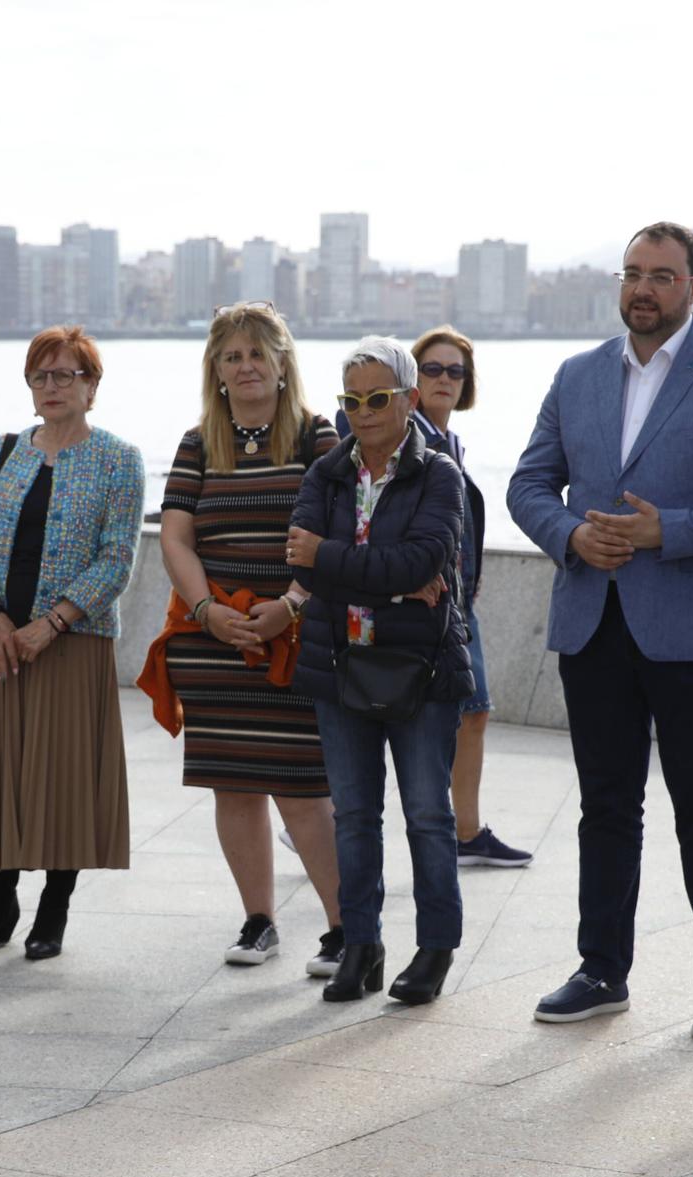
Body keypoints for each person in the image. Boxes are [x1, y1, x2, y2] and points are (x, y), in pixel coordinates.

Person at [506, 220, 693, 1037]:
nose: (643, 288)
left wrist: (670, 529)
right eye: (633, 272)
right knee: (606, 805)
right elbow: (530, 481)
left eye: (662, 276)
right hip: (594, 620)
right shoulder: (577, 374)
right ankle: (602, 969)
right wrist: (569, 535)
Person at [144, 302, 345, 974]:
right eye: (233, 356)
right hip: (216, 637)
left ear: (283, 363)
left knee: (302, 787)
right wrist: (204, 610)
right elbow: (175, 536)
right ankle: (259, 920)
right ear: (217, 371)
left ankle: (345, 927)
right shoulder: (199, 441)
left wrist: (292, 603)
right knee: (234, 785)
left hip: (295, 638)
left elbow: (340, 537)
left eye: (258, 353)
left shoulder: (319, 437)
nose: (247, 365)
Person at [285, 336, 472, 1004]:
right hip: (340, 666)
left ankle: (436, 947)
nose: (362, 412)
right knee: (355, 814)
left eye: (377, 397)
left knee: (427, 813)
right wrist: (380, 579)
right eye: (351, 400)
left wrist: (343, 563)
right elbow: (301, 563)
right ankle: (360, 946)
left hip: (419, 669)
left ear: (408, 399)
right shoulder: (326, 475)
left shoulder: (439, 474)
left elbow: (420, 563)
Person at [0, 327, 143, 960]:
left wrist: (51, 622)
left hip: (73, 642)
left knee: (65, 779)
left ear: (92, 386)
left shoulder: (118, 459)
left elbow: (118, 558)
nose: (53, 387)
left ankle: (52, 912)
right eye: (41, 376)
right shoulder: (3, 451)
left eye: (67, 376)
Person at [410, 325, 533, 870]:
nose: (444, 379)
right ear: (411, 378)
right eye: (432, 369)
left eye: (455, 371)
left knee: (473, 712)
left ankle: (466, 831)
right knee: (403, 715)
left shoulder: (447, 440)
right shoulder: (404, 433)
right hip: (420, 603)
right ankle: (327, 815)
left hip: (456, 604)